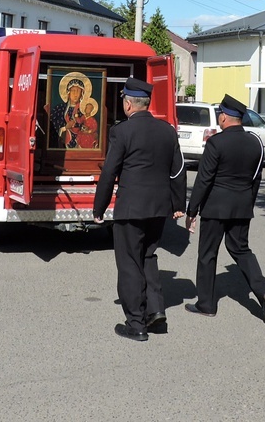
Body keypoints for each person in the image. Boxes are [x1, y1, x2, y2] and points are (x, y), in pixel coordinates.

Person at [93, 77, 186, 342]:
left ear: (128, 104)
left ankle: (136, 323)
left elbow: (110, 171)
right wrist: (178, 204)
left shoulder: (122, 132)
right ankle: (156, 313)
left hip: (131, 208)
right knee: (148, 256)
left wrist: (99, 207)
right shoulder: (167, 130)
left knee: (129, 262)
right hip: (159, 209)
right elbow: (178, 170)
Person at [184, 94, 265, 324]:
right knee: (241, 250)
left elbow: (204, 180)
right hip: (242, 206)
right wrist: (248, 203)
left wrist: (192, 210)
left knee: (208, 254)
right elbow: (256, 179)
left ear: (225, 117)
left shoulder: (216, 142)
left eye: (220, 116)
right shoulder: (255, 143)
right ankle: (263, 290)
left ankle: (206, 304)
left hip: (215, 207)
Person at [50, 78, 85, 148]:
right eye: (73, 91)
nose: (75, 94)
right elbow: (53, 128)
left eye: (78, 91)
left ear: (82, 94)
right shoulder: (59, 109)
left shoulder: (84, 110)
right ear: (68, 93)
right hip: (63, 145)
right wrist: (65, 127)